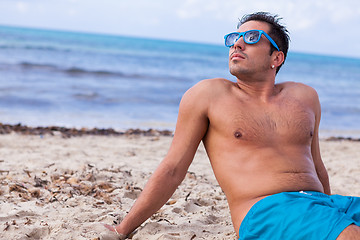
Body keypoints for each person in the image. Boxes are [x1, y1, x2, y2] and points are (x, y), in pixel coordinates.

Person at [104, 12, 360, 239]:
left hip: (324, 206)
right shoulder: (209, 95)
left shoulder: (305, 97)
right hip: (266, 211)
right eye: (234, 38)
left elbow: (316, 165)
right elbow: (172, 169)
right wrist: (124, 228)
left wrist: (330, 210)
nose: (237, 43)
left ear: (277, 57)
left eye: (251, 37)